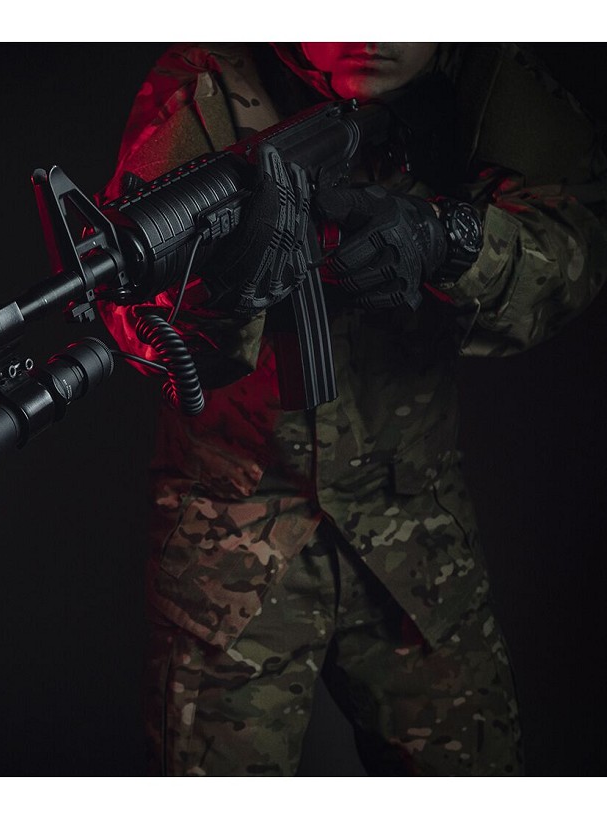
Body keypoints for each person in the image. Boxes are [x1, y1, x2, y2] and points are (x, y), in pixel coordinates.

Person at [97, 43, 607, 775]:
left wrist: (450, 239)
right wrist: (219, 293)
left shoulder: (486, 74)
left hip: (414, 521)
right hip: (230, 528)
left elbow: (576, 239)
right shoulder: (206, 83)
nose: (368, 27)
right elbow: (129, 307)